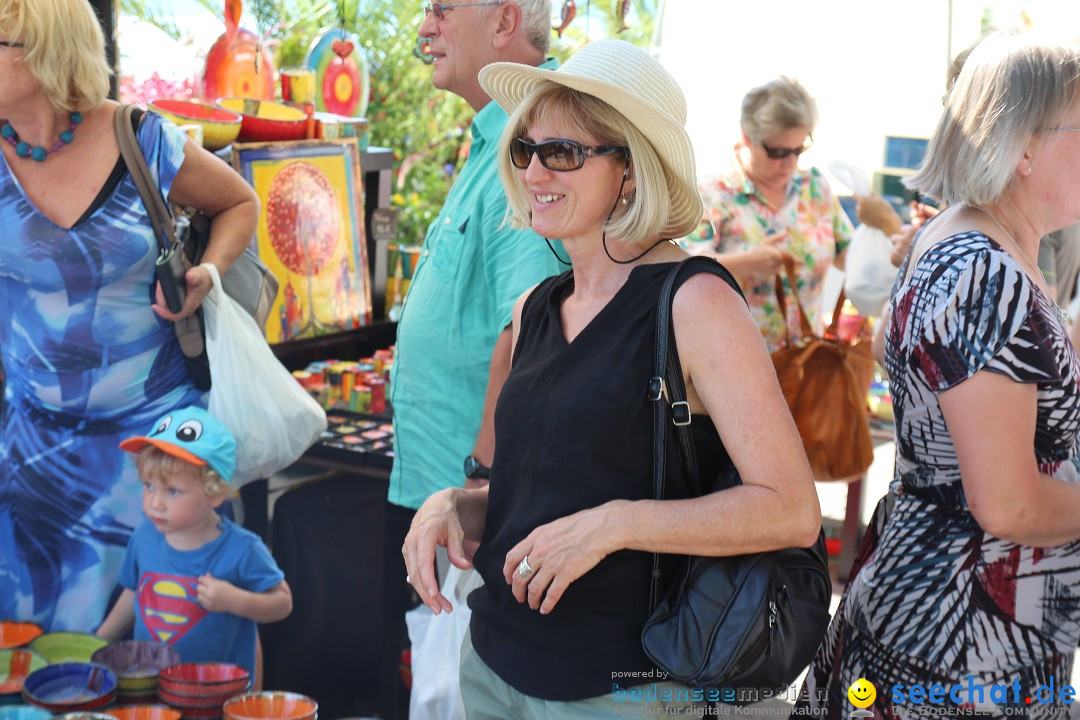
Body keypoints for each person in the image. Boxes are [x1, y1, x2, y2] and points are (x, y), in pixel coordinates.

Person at [402, 39, 822, 716]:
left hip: (623, 688)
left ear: (630, 171)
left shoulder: (694, 301)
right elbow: (532, 498)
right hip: (493, 665)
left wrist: (616, 525)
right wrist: (453, 506)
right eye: (525, 149)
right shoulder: (535, 309)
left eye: (563, 152)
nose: (536, 170)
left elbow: (791, 509)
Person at [799, 29, 1080, 720]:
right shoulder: (985, 272)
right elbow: (1007, 504)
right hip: (960, 643)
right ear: (1021, 146)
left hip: (945, 614)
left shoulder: (967, 239)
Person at [0, 0, 258, 631]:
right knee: (34, 658)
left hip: (156, 459)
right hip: (33, 454)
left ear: (43, 51)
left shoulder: (140, 138)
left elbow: (239, 202)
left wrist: (208, 274)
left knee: (158, 650)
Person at [97, 407, 292, 680]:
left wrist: (234, 600)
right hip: (151, 692)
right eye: (149, 486)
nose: (155, 503)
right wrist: (98, 642)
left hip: (217, 695)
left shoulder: (243, 548)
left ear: (214, 493)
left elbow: (283, 602)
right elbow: (135, 593)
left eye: (172, 491)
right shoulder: (144, 538)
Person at [683, 76, 853, 352]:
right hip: (734, 362)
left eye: (799, 149)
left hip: (808, 365)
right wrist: (747, 262)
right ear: (747, 138)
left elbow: (848, 256)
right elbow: (684, 271)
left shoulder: (814, 187)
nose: (789, 163)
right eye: (777, 152)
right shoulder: (713, 192)